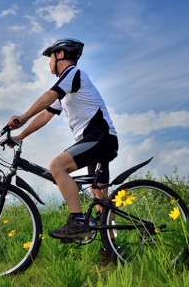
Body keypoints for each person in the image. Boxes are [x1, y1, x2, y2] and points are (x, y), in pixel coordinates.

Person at [8, 38, 118, 240]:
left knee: (57, 166)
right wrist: (20, 136)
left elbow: (49, 95)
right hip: (99, 139)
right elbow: (45, 115)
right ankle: (112, 249)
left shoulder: (73, 74)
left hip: (99, 136)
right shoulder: (67, 87)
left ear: (60, 55)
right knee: (100, 198)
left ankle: (77, 222)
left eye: (50, 57)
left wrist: (22, 117)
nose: (49, 63)